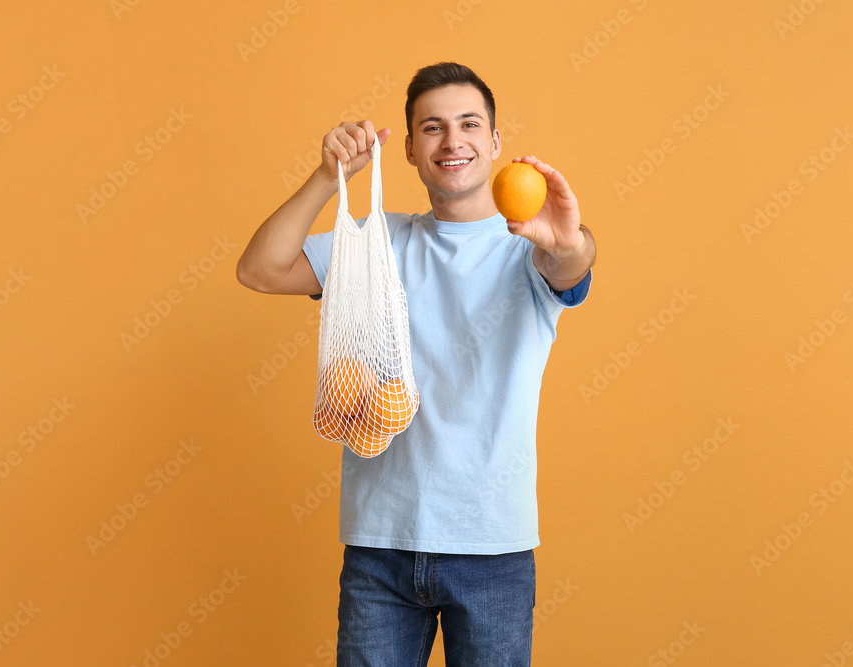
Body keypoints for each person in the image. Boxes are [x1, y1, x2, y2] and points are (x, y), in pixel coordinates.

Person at [237, 62, 596, 666]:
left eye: (468, 124)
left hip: (493, 549)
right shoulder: (376, 243)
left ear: (495, 142)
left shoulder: (527, 250)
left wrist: (569, 243)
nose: (452, 141)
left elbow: (572, 265)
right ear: (408, 149)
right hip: (382, 546)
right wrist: (328, 179)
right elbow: (261, 269)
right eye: (433, 127)